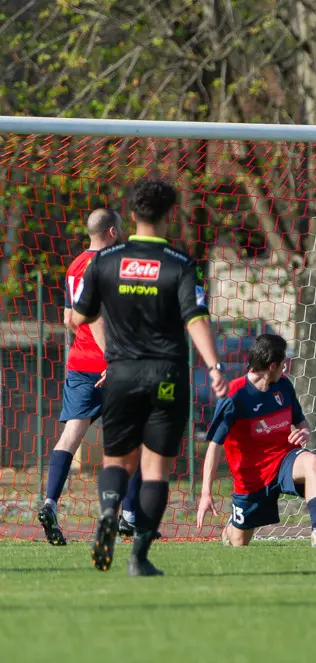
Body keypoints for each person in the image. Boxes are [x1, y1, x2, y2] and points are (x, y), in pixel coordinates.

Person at [71, 178, 227, 576]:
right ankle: (138, 557)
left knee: (116, 461)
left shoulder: (105, 260)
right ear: (170, 214)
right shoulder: (180, 263)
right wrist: (214, 366)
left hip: (120, 374)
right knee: (156, 470)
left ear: (132, 214)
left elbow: (81, 314)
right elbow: (195, 317)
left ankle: (109, 510)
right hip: (166, 375)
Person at [36, 209, 143, 544]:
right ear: (112, 232)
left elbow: (70, 318)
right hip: (112, 365)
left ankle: (50, 502)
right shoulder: (111, 264)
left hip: (80, 362)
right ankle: (129, 516)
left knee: (70, 436)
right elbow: (95, 315)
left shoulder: (74, 266)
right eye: (121, 229)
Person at [196, 333, 316, 547]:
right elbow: (214, 446)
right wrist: (206, 493)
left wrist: (304, 432)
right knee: (238, 543)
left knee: (312, 462)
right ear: (272, 366)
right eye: (283, 363)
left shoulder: (284, 385)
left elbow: (301, 422)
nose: (285, 367)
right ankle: (232, 527)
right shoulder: (234, 396)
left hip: (284, 460)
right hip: (252, 478)